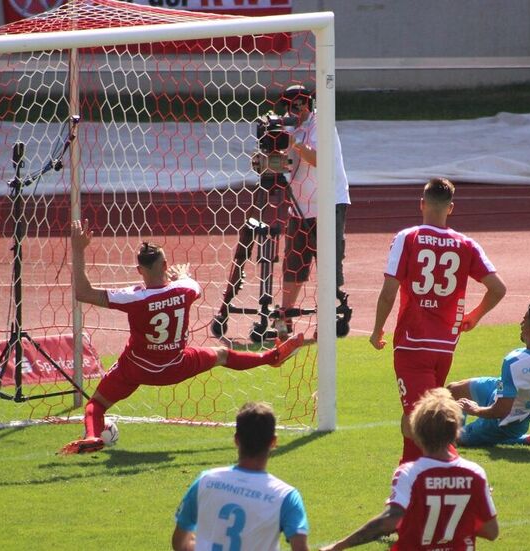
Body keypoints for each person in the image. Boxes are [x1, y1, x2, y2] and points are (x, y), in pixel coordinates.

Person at [60, 220, 305, 455]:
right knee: (222, 354)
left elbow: (83, 293)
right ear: (166, 265)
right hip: (177, 365)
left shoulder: (133, 297)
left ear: (139, 270)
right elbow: (192, 284)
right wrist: (182, 276)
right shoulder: (186, 288)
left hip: (136, 368)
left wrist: (79, 249)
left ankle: (92, 435)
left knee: (97, 404)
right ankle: (270, 357)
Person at [371, 177, 506, 464]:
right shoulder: (466, 244)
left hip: (412, 345)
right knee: (417, 418)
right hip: (444, 346)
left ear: (421, 204)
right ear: (451, 208)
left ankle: (455, 475)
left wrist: (376, 329)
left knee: (425, 421)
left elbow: (388, 293)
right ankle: (409, 478)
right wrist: (475, 316)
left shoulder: (407, 237)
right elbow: (498, 288)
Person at [319, 388, 498, 551]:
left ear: (417, 435)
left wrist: (339, 546)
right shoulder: (475, 473)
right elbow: (491, 531)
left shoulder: (410, 474)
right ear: (456, 432)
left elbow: (390, 521)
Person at [173, 402, 310, 551]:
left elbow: (180, 543)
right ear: (273, 442)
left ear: (236, 439)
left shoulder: (205, 481)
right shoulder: (285, 496)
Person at [448, 299, 530, 447]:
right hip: (503, 394)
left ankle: (456, 441)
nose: (521, 324)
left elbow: (501, 411)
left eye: (525, 321)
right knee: (452, 390)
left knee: (453, 437)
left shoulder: (515, 361)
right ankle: (525, 438)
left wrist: (475, 410)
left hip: (500, 423)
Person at [276, 84, 351, 336]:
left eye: (294, 106)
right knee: (294, 262)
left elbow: (318, 159)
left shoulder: (322, 124)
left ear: (303, 104)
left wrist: (294, 142)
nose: (290, 112)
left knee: (328, 262)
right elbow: (280, 165)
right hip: (300, 205)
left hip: (329, 202)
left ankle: (327, 319)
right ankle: (284, 315)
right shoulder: (287, 128)